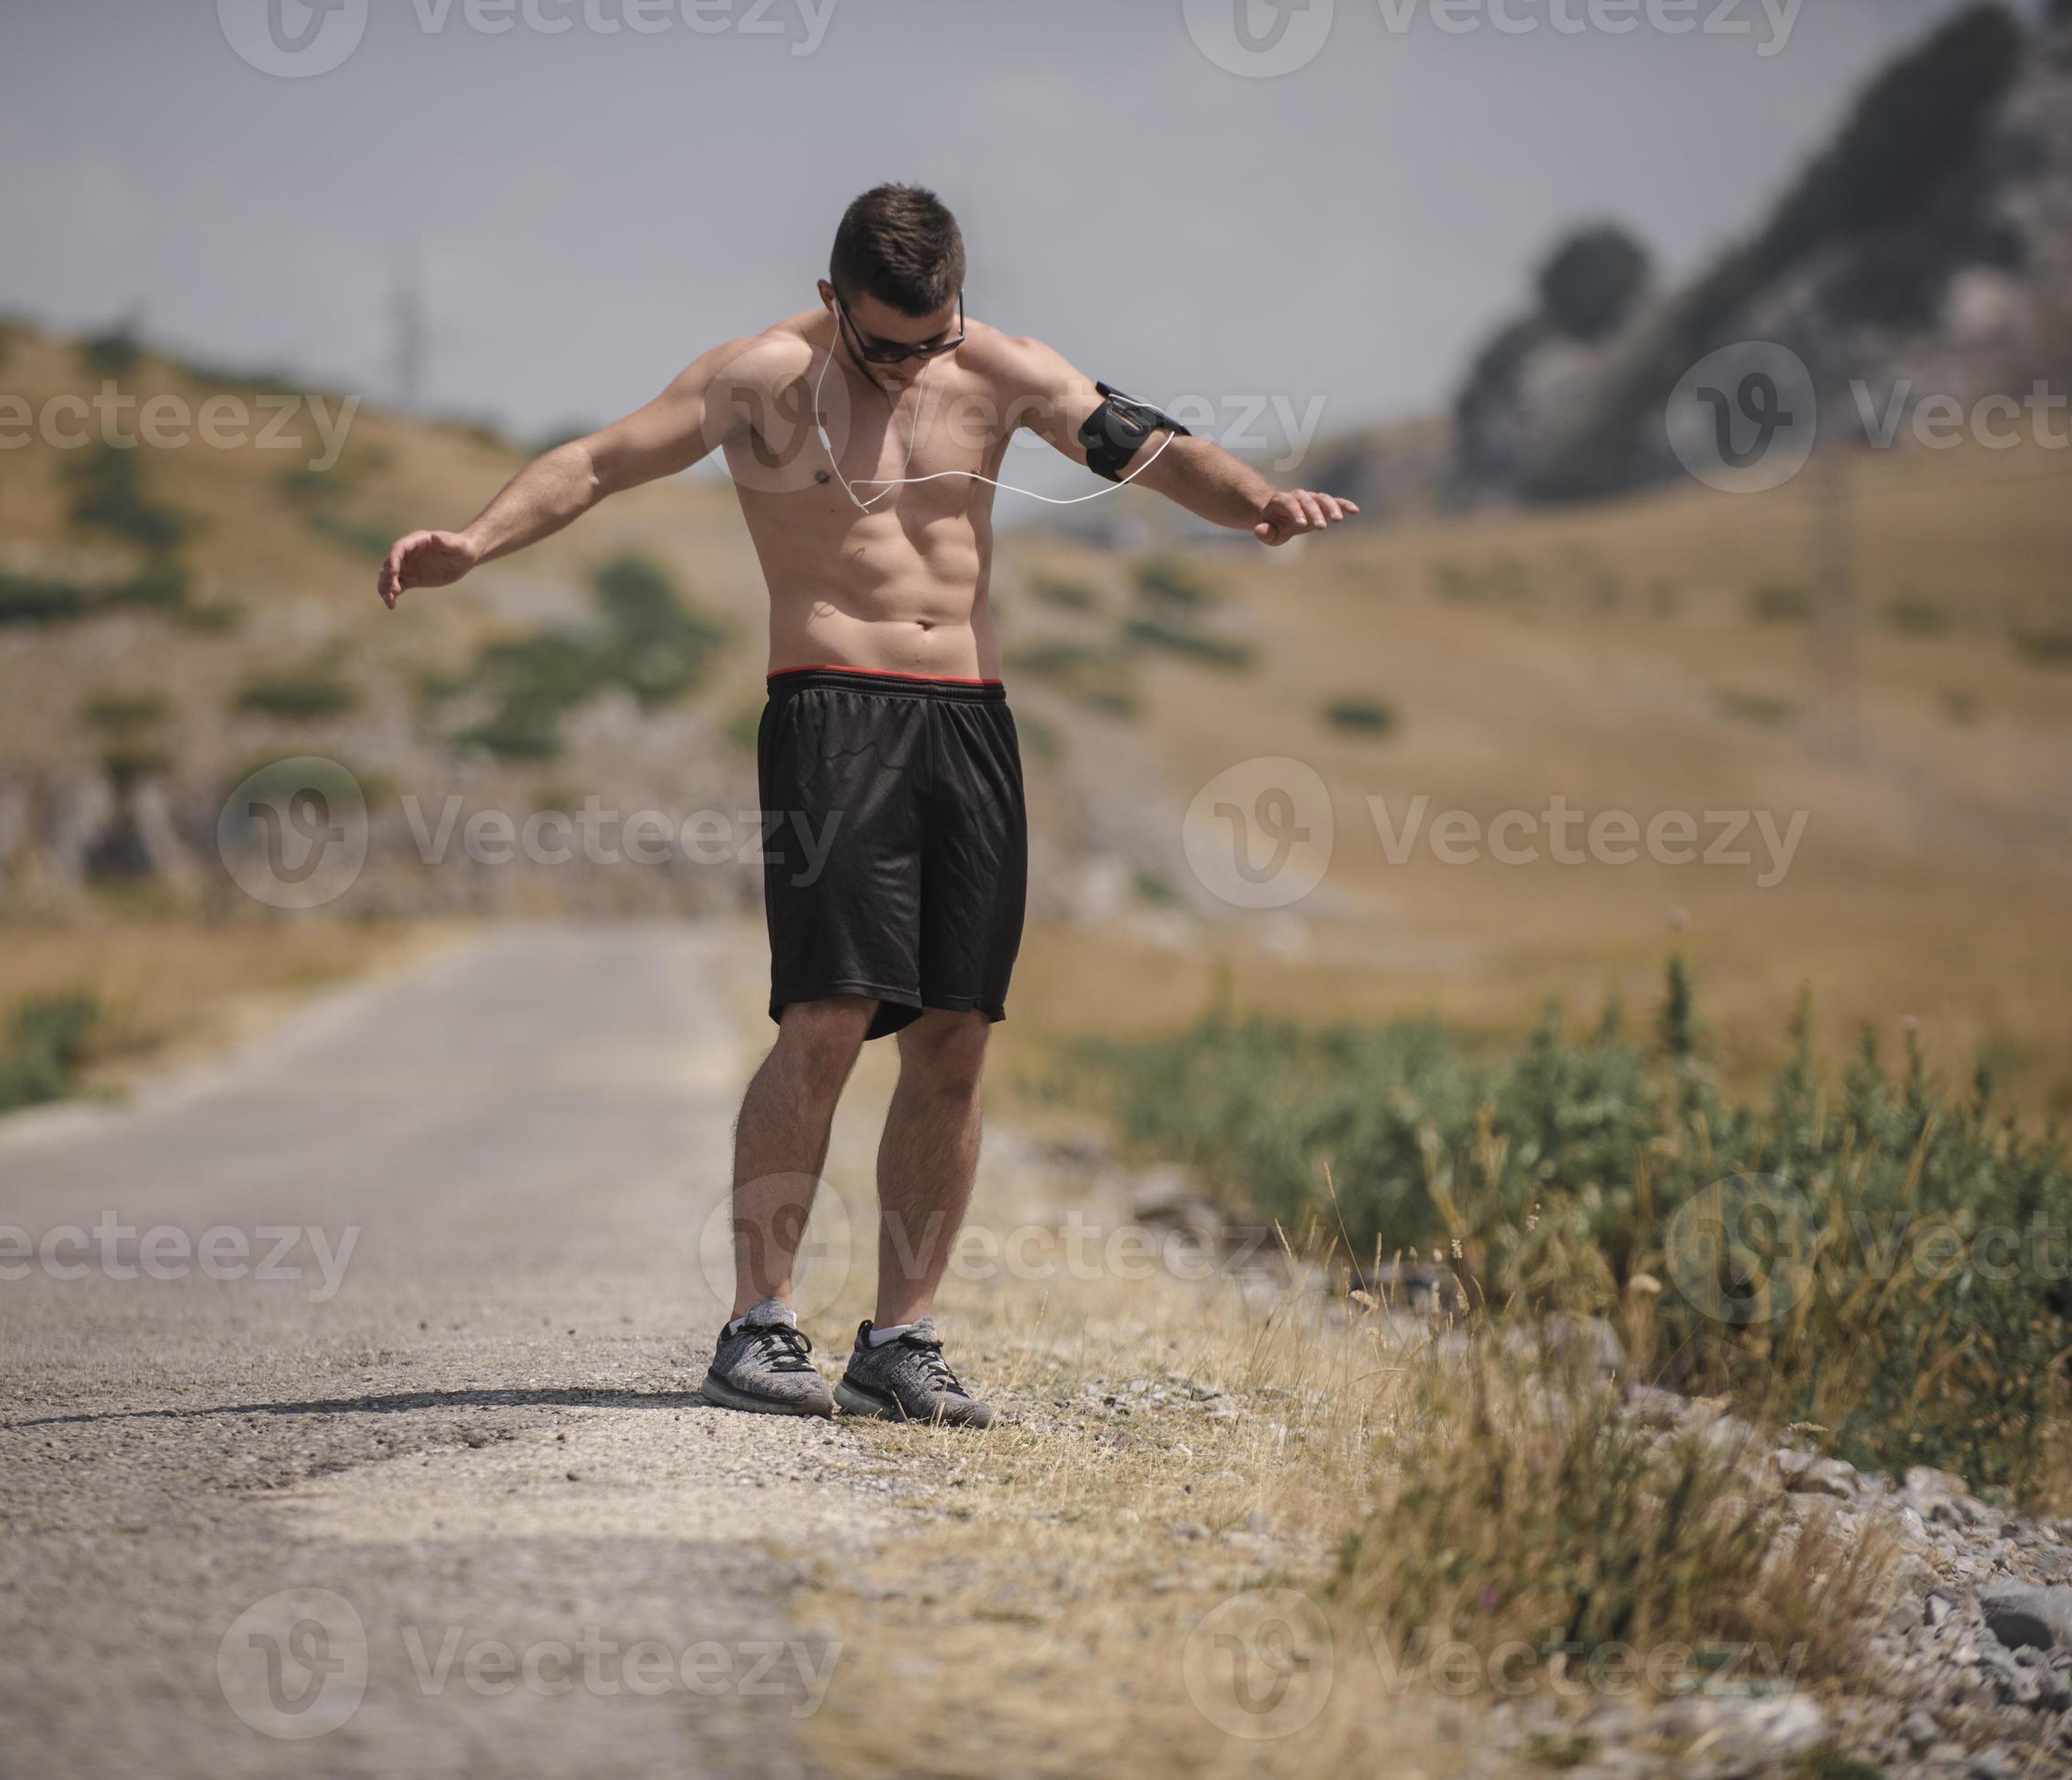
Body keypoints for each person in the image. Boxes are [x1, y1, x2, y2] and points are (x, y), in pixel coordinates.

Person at [378, 184, 1355, 1426]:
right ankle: (756, 1324)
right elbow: (593, 461)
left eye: (930, 339)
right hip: (830, 711)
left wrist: (1256, 503)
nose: (908, 367)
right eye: (883, 345)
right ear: (835, 298)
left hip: (969, 718)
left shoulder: (998, 367)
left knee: (957, 1034)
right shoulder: (761, 380)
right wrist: (474, 541)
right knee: (831, 1015)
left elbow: (1144, 443)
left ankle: (900, 1339)